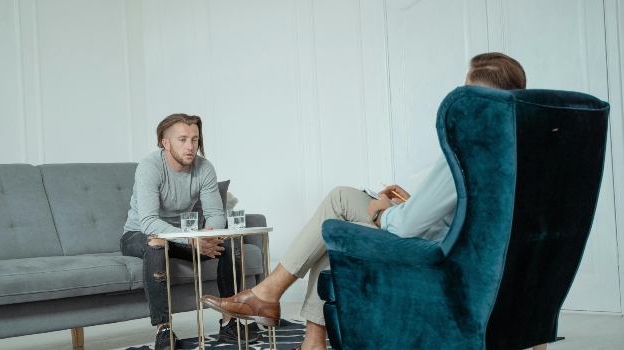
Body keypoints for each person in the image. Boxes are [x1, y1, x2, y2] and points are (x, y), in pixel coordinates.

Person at [200, 53, 528, 350]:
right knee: (340, 205)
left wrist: (380, 214)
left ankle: (272, 300)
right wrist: (414, 204)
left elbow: (408, 225)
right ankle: (298, 326)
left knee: (337, 219)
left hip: (440, 256)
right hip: (480, 254)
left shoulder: (469, 146)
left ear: (480, 100)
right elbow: (476, 213)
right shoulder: (524, 147)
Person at [121, 113, 260, 350]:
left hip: (184, 237)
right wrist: (192, 239)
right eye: (182, 139)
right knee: (157, 243)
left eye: (194, 140)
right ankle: (164, 330)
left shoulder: (204, 168)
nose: (190, 147)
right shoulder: (150, 167)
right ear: (165, 143)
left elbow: (216, 214)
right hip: (139, 235)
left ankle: (229, 324)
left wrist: (205, 236)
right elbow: (148, 221)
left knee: (229, 243)